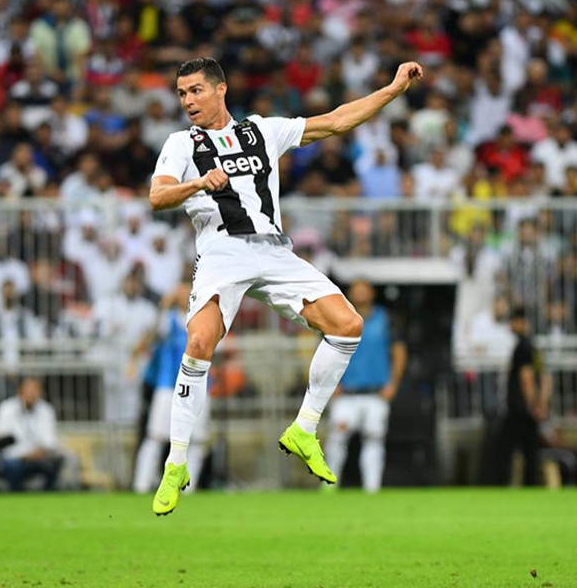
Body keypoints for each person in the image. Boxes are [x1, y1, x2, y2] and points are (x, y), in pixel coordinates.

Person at [148, 56, 423, 515]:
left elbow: (335, 122)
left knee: (347, 324)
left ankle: (304, 427)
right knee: (198, 342)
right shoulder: (181, 143)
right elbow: (157, 196)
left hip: (275, 250)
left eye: (195, 90)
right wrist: (198, 184)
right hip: (223, 251)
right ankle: (176, 462)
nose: (187, 101)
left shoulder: (260, 131)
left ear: (221, 89)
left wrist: (393, 89)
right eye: (181, 94)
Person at [323, 280, 407, 492]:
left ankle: (372, 489)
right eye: (356, 289)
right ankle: (328, 487)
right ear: (350, 292)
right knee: (337, 439)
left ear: (372, 292)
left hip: (375, 393)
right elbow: (327, 351)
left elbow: (398, 351)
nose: (360, 293)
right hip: (346, 393)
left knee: (374, 440)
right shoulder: (339, 318)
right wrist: (329, 382)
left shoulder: (385, 319)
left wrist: (393, 383)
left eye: (364, 288)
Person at [132, 282, 210, 493]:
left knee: (197, 441)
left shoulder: (203, 318)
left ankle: (187, 488)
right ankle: (141, 485)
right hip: (168, 385)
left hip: (199, 385)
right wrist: (162, 307)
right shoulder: (167, 320)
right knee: (156, 437)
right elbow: (146, 340)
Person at [498, 306, 551, 486]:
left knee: (505, 450)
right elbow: (545, 377)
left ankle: (501, 484)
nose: (511, 326)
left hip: (520, 407)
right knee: (531, 451)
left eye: (513, 322)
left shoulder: (521, 347)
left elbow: (526, 377)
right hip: (531, 408)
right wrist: (542, 403)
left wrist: (532, 404)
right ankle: (531, 485)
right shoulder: (534, 348)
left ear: (520, 322)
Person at [0, 377, 64, 492]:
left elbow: (49, 439)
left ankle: (49, 496)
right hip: (12, 458)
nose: (32, 394)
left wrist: (41, 450)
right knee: (12, 467)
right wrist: (24, 455)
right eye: (28, 390)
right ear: (20, 392)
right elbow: (0, 439)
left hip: (37, 457)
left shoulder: (46, 410)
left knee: (55, 462)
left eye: (35, 390)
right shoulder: (6, 409)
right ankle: (15, 496)